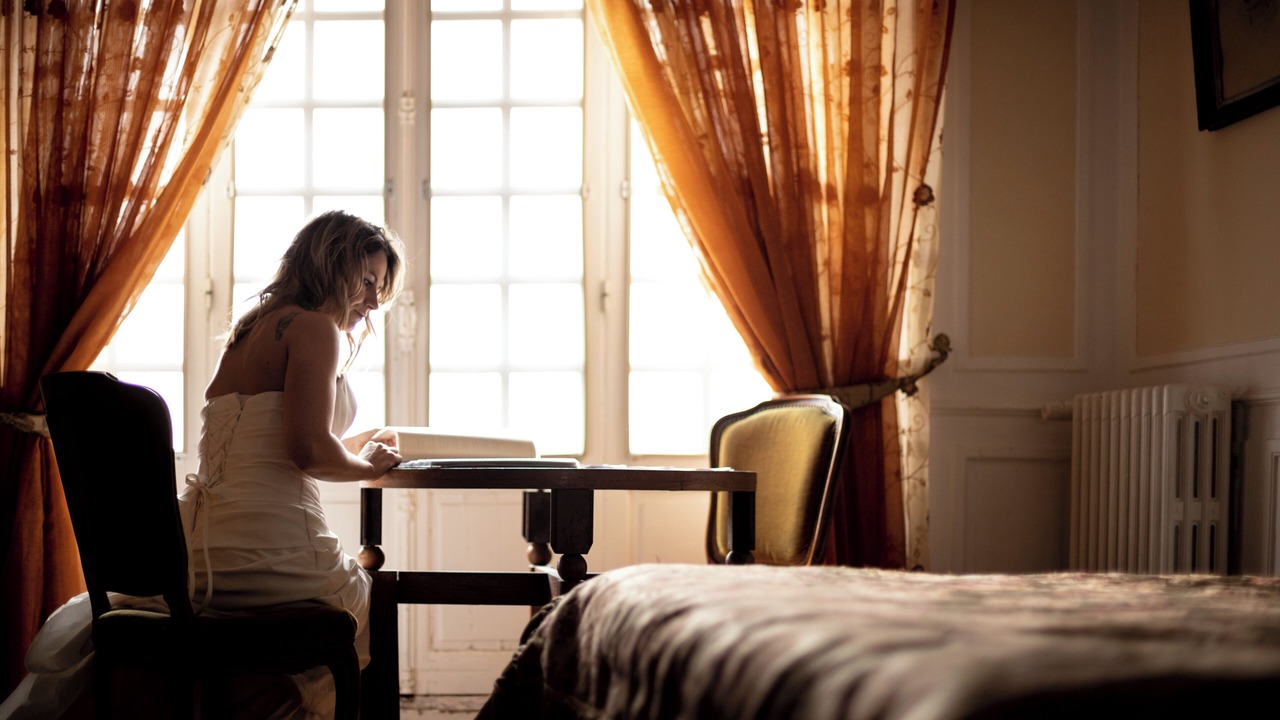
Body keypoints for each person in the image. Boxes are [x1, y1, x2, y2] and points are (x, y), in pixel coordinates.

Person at [0, 210, 406, 719]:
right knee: (369, 593)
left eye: (380, 288)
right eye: (367, 281)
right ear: (331, 263)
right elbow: (306, 452)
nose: (372, 300)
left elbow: (268, 436)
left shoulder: (250, 329)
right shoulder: (316, 329)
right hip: (270, 554)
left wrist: (345, 445)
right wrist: (366, 464)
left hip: (193, 556)